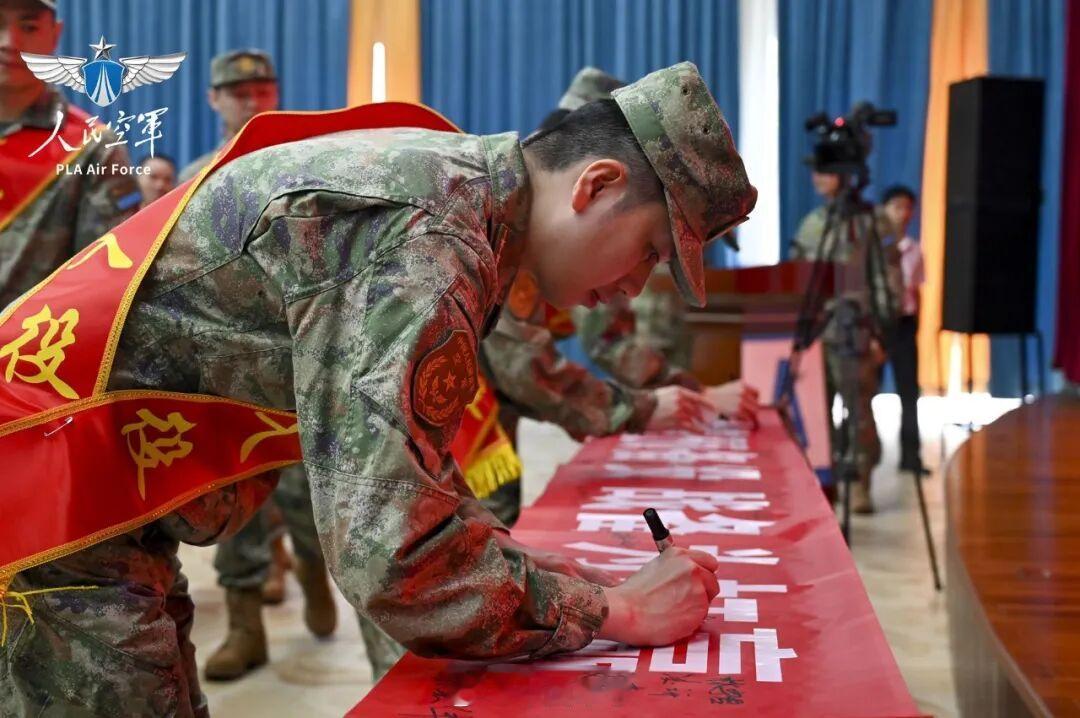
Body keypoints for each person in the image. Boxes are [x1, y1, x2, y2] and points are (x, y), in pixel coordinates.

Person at [0, 62, 756, 716]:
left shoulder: (463, 193)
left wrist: (573, 582)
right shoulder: (430, 237)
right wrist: (618, 612)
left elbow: (412, 474)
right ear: (596, 184)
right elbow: (393, 559)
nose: (631, 289)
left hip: (94, 489)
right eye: (649, 252)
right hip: (47, 490)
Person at [0, 0, 137, 309]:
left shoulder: (93, 148)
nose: (9, 42)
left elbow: (106, 285)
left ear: (55, 34)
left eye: (29, 27)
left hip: (35, 336)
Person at [789, 170, 901, 514]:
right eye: (815, 171)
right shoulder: (812, 223)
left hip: (856, 332)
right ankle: (826, 484)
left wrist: (882, 331)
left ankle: (859, 483)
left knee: (859, 413)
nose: (817, 177)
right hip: (816, 335)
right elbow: (796, 275)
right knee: (817, 416)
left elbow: (887, 277)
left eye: (826, 170)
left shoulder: (870, 221)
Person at [177, 49, 279, 182]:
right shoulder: (198, 177)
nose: (253, 103)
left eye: (263, 93)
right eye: (240, 95)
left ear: (276, 95)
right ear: (213, 98)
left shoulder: (299, 158)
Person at [880, 184, 926, 476]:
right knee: (864, 392)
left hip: (904, 325)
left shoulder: (915, 250)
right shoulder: (873, 248)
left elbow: (916, 292)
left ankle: (911, 457)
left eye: (908, 207)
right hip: (877, 324)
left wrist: (916, 324)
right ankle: (860, 459)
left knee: (909, 392)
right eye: (897, 206)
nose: (903, 213)